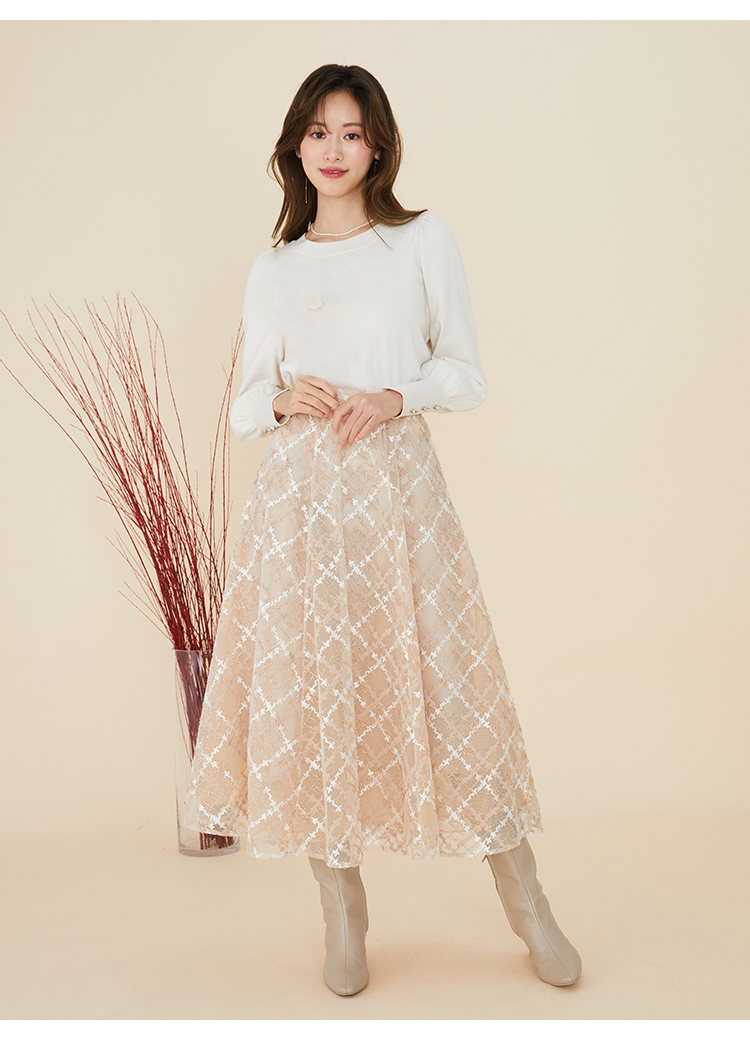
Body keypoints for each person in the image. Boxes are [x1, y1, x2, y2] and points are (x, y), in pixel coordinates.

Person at [184, 63, 582, 996]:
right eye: (318, 131)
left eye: (352, 132)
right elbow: (244, 405)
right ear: (296, 145)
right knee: (318, 695)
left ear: (378, 146)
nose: (334, 149)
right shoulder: (275, 268)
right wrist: (279, 401)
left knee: (454, 688)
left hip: (398, 495)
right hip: (299, 507)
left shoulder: (421, 240)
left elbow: (465, 373)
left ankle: (529, 904)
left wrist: (396, 395)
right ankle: (342, 911)